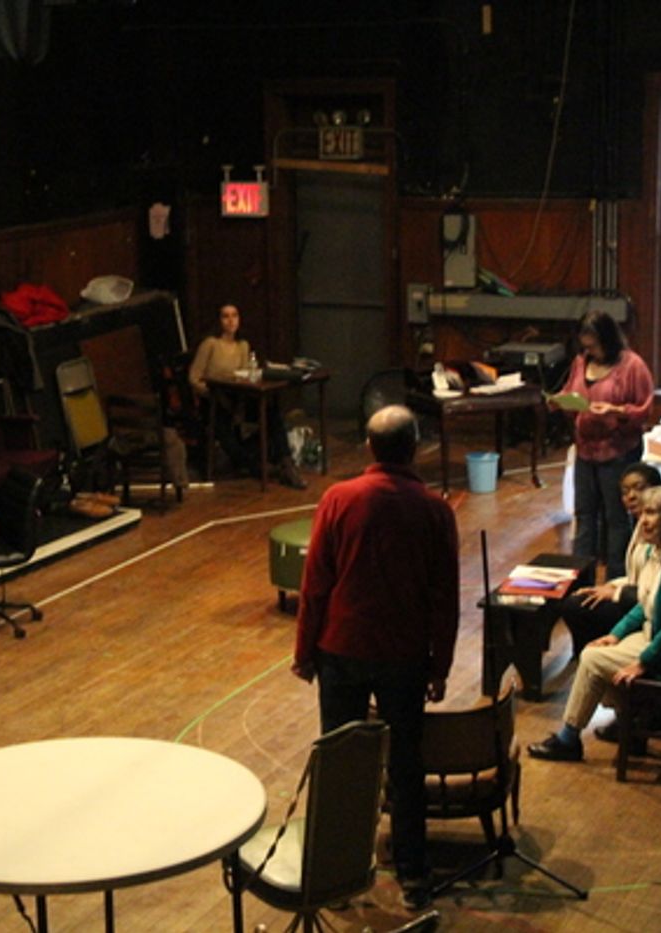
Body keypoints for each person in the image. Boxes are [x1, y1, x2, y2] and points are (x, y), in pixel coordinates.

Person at [292, 405, 460, 909]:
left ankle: (334, 876)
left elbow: (315, 583)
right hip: (404, 656)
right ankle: (413, 877)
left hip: (340, 650)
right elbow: (443, 598)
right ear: (415, 448)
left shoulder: (338, 499)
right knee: (406, 767)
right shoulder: (435, 511)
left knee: (340, 763)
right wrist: (441, 666)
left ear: (369, 447)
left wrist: (304, 651)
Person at [528, 485, 661, 763]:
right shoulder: (658, 553)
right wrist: (615, 635)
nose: (643, 520)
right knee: (599, 649)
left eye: (652, 513)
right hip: (656, 635)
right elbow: (646, 603)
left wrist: (643, 662)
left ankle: (569, 740)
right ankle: (630, 729)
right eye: (642, 514)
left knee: (592, 660)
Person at [552, 309, 655, 578]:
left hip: (617, 452)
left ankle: (617, 580)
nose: (590, 351)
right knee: (584, 515)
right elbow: (571, 391)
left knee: (616, 518)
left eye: (594, 346)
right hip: (586, 450)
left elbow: (644, 409)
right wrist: (559, 401)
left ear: (608, 339)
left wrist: (615, 411)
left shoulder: (632, 366)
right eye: (585, 346)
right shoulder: (580, 362)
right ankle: (578, 580)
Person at [188, 303, 306, 489]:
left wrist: (240, 404)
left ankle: (286, 462)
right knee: (224, 432)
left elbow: (243, 375)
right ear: (219, 321)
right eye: (225, 316)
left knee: (271, 412)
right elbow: (194, 377)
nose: (230, 320)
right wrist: (212, 394)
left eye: (234, 315)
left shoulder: (243, 346)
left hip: (236, 398)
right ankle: (257, 467)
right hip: (213, 401)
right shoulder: (211, 344)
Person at [560, 462, 661, 657]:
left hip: (647, 611)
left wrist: (615, 592)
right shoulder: (639, 526)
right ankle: (585, 655)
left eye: (639, 488)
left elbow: (654, 589)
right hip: (633, 595)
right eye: (625, 492)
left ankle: (593, 655)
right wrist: (610, 585)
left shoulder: (658, 531)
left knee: (576, 607)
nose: (631, 496)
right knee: (577, 599)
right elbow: (637, 576)